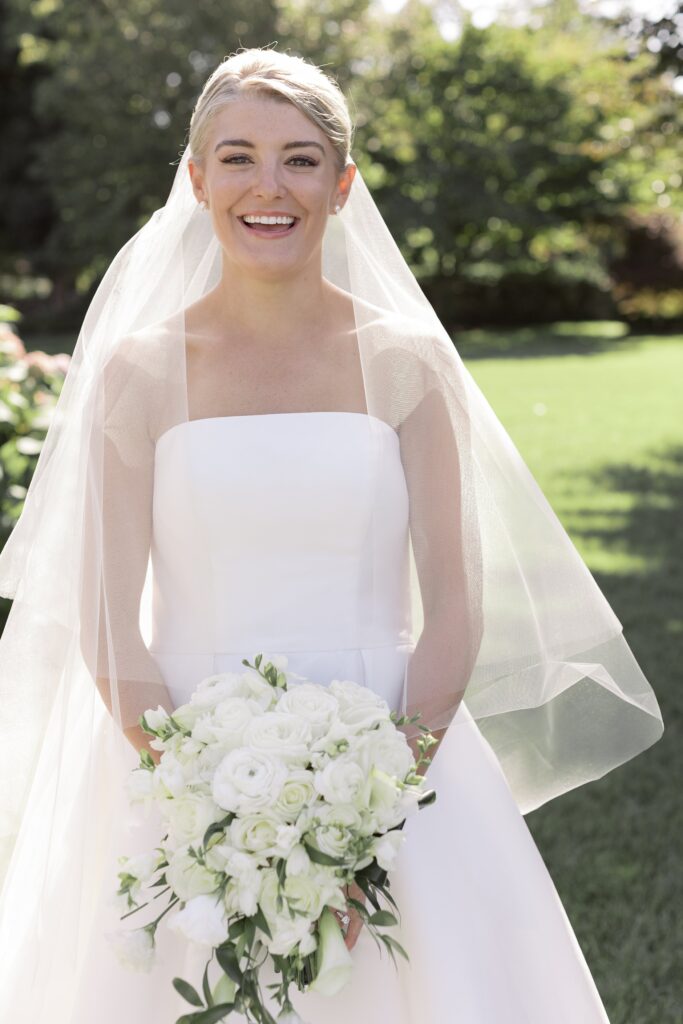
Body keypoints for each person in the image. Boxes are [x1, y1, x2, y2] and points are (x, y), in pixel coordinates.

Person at [0, 46, 664, 1024]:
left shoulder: (404, 363)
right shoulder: (139, 372)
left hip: (395, 753)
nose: (268, 187)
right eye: (237, 157)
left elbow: (453, 608)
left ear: (343, 184)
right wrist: (209, 808)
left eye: (301, 159)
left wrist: (366, 810)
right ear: (194, 179)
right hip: (177, 762)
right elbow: (110, 627)